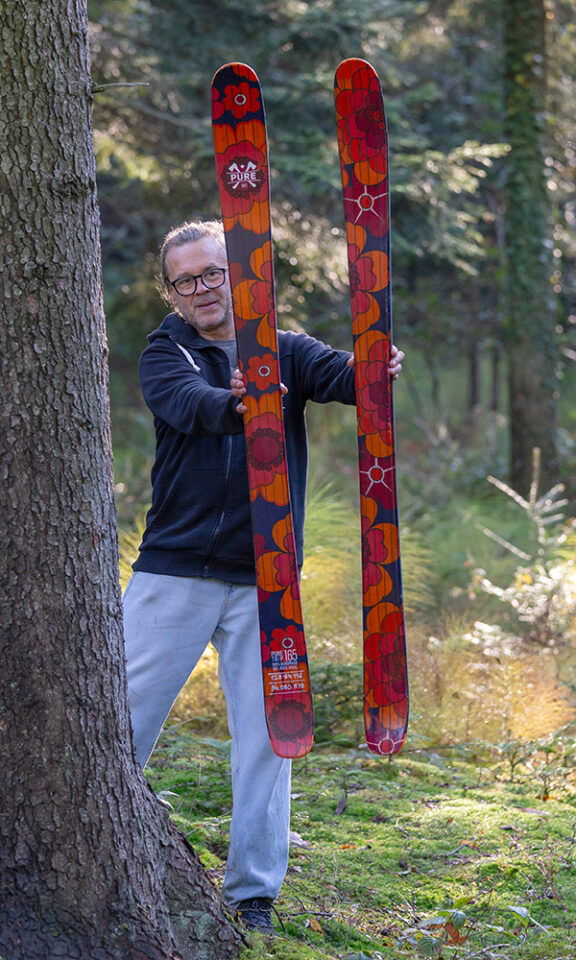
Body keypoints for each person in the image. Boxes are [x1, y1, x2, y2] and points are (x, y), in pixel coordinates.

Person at [122, 218, 404, 935]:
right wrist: (243, 402)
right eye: (185, 280)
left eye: (212, 273)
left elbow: (339, 375)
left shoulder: (282, 347)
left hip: (268, 579)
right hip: (175, 572)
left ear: (240, 273)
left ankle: (254, 895)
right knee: (116, 723)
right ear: (172, 292)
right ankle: (102, 852)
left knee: (271, 738)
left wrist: (374, 365)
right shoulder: (165, 350)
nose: (202, 289)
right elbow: (191, 406)